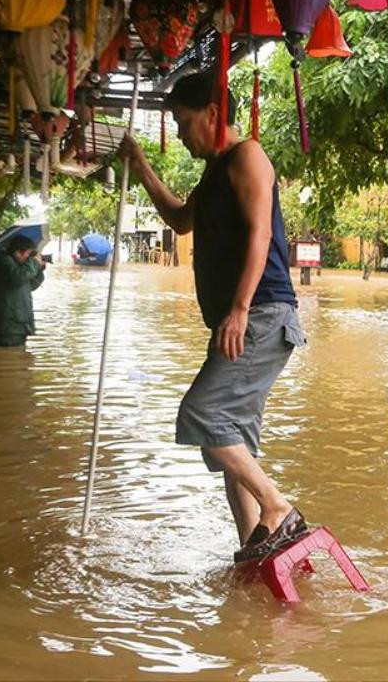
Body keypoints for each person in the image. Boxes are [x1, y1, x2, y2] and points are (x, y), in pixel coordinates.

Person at [117, 70, 307, 564]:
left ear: (213, 114)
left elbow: (261, 235)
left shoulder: (248, 156)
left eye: (183, 123)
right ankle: (253, 548)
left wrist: (240, 311)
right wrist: (140, 167)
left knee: (201, 415)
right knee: (231, 442)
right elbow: (181, 220)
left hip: (261, 313)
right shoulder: (214, 172)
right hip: (240, 318)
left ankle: (278, 507)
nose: (180, 135)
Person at [0, 234, 46, 348]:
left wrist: (39, 269)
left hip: (20, 323)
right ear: (17, 252)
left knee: (19, 359)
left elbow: (30, 286)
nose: (29, 258)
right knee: (7, 360)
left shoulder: (20, 267)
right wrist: (33, 263)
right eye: (29, 254)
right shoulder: (3, 261)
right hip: (8, 325)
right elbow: (19, 278)